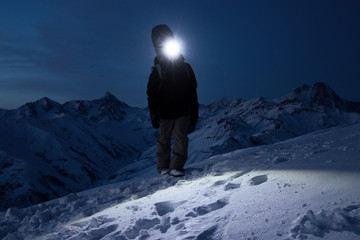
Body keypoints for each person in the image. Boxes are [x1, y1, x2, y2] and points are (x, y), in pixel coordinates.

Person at [147, 24, 199, 177]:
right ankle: (163, 168)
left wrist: (194, 112)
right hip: (164, 112)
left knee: (180, 138)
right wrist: (154, 113)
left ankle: (176, 166)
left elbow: (192, 90)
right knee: (163, 140)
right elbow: (151, 93)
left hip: (182, 110)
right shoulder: (157, 70)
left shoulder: (185, 68)